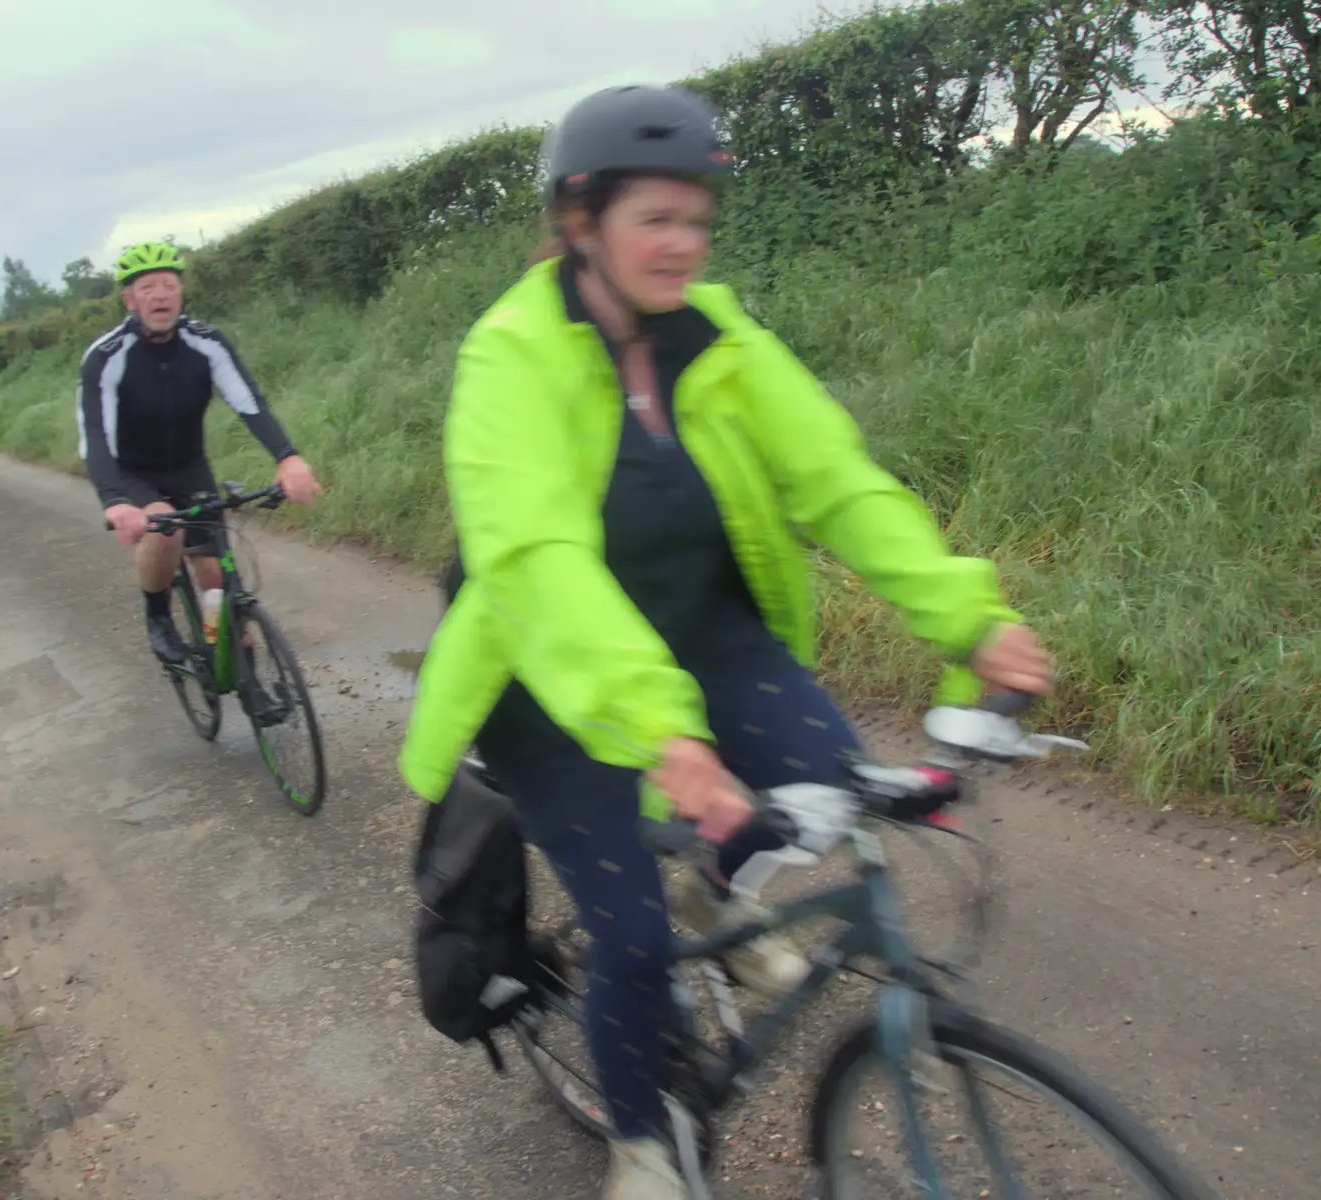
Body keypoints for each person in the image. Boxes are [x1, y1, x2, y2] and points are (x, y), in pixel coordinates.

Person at [398, 85, 1056, 1199]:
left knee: (828, 781)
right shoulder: (508, 358)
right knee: (635, 940)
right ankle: (645, 1142)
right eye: (654, 218)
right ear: (578, 221)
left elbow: (836, 479)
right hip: (551, 681)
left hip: (705, 632)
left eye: (696, 219)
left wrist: (968, 616)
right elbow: (540, 561)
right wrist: (662, 735)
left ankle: (716, 887)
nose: (682, 243)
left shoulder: (717, 333)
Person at [77, 240, 321, 665]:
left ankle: (226, 653)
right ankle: (158, 617)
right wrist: (115, 502)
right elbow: (94, 437)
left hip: (190, 467)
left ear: (181, 292)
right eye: (148, 287)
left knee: (216, 580)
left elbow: (249, 402)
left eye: (169, 285)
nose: (160, 295)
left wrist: (287, 457)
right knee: (164, 532)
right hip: (132, 472)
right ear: (129, 299)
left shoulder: (206, 341)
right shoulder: (106, 357)